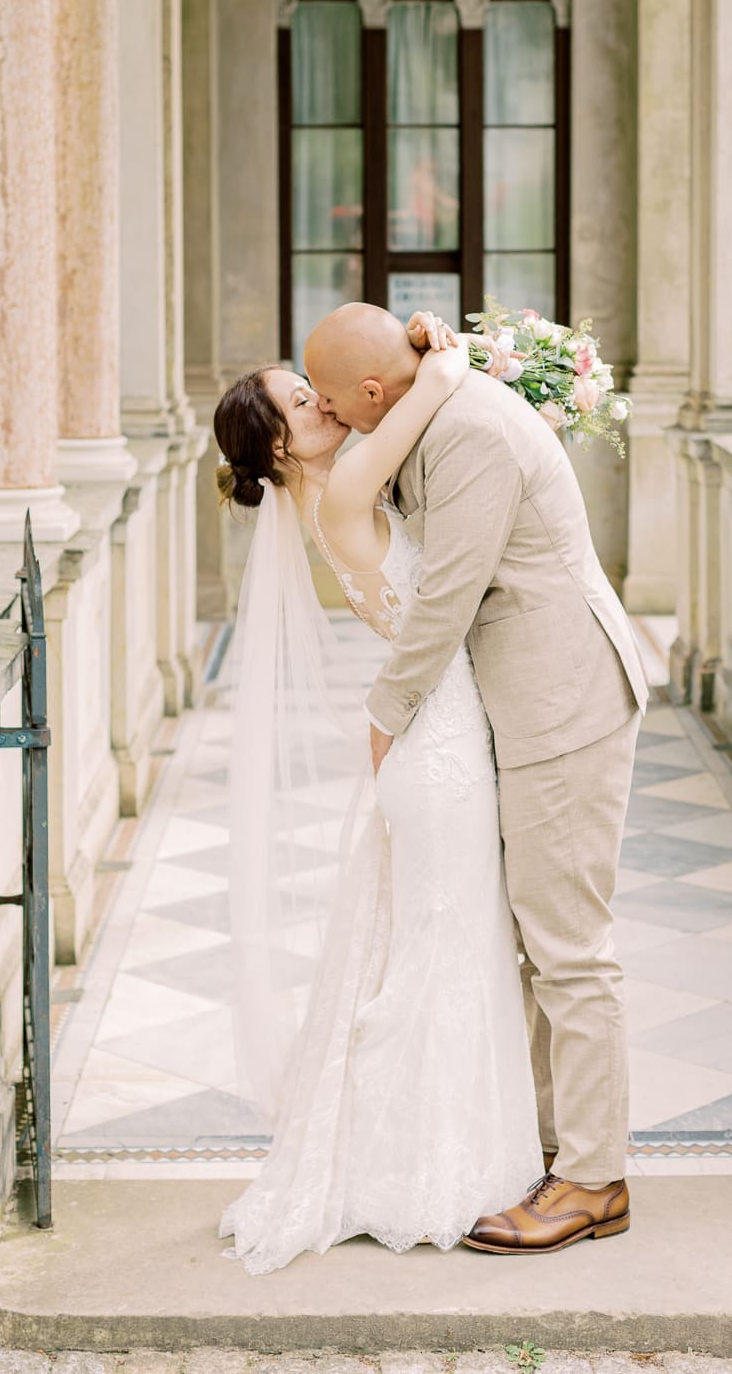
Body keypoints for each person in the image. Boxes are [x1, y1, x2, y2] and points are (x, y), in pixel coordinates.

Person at [304, 303, 649, 1255]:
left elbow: (449, 590)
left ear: (373, 393)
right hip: (523, 702)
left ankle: (593, 1181)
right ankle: (559, 1153)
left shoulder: (469, 432)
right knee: (540, 942)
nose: (326, 415)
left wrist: (385, 710)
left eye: (332, 399)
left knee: (570, 945)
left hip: (564, 699)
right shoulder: (434, 412)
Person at [213, 312, 541, 1273]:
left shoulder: (334, 492)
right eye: (299, 399)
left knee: (434, 943)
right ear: (279, 446)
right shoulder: (349, 483)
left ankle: (427, 1150)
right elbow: (436, 383)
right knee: (448, 947)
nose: (321, 400)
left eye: (314, 389)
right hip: (436, 748)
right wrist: (429, 339)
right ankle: (428, 1167)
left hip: (428, 741)